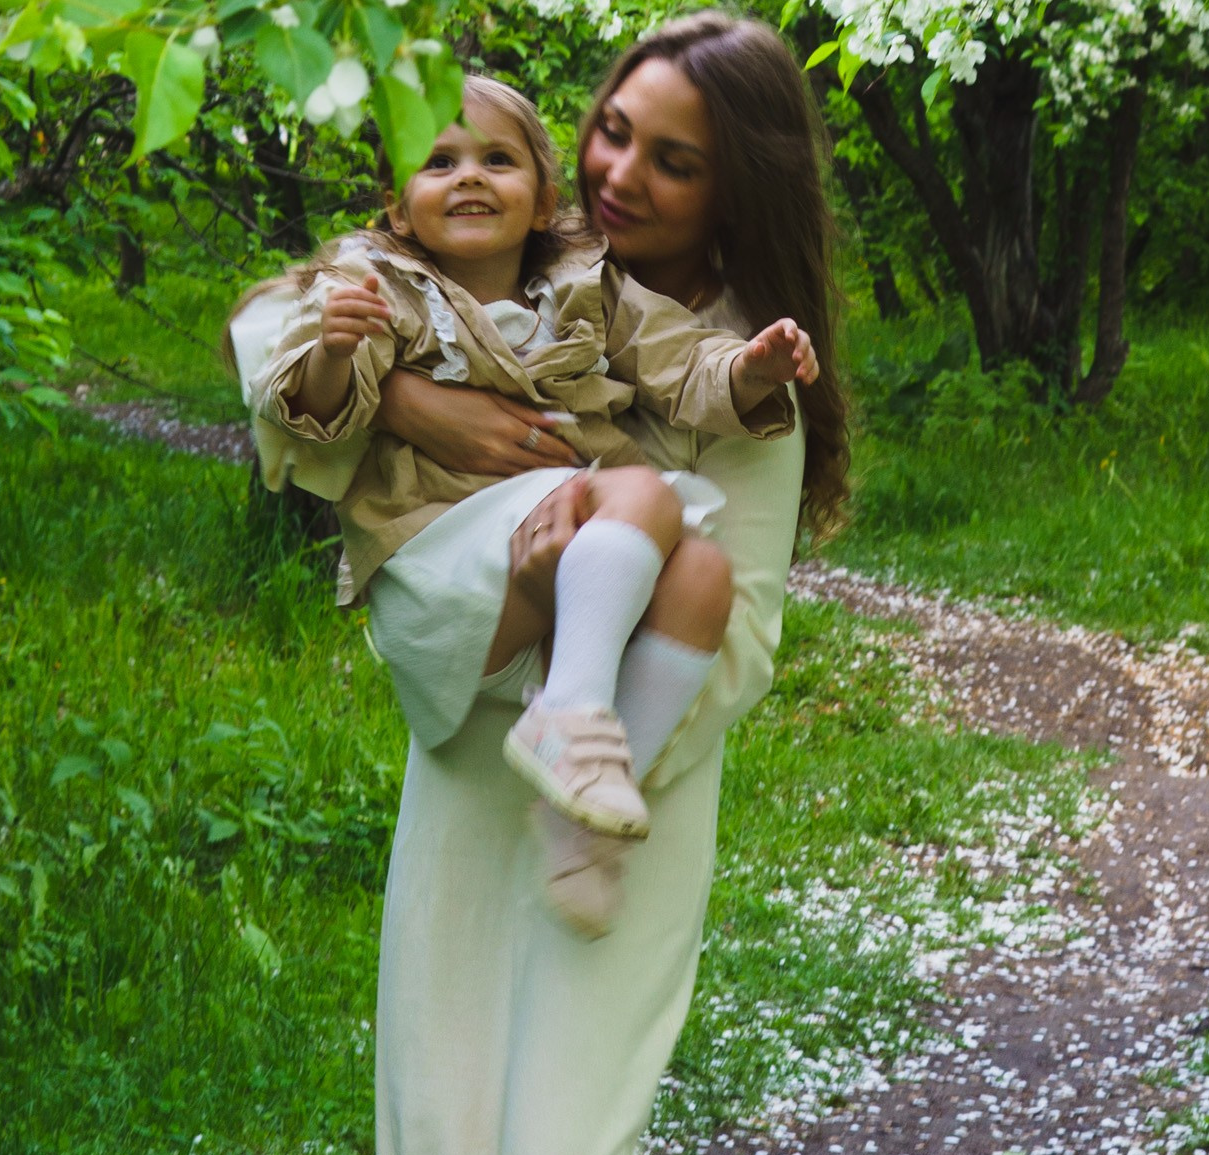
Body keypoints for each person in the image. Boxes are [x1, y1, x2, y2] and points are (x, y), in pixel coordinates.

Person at [234, 14, 849, 1155]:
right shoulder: (506, 275)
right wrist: (413, 396)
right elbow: (286, 357)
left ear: (739, 188)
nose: (619, 173)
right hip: (464, 780)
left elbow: (737, 635)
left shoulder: (734, 375)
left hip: (622, 789)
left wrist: (568, 656)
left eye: (673, 158)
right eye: (610, 131)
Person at [246, 73, 816, 896]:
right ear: (398, 208)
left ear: (545, 202)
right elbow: (314, 409)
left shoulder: (586, 286)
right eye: (438, 161)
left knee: (702, 575)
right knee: (644, 495)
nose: (468, 178)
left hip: (550, 582)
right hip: (438, 557)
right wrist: (335, 351)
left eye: (497, 160)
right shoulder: (376, 286)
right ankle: (571, 713)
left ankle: (585, 823)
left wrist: (750, 369)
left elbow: (678, 356)